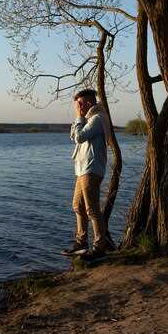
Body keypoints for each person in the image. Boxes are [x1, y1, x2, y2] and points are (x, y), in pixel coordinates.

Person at [61, 88, 111, 257]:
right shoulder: (89, 119)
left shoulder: (97, 118)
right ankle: (81, 243)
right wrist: (79, 118)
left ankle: (99, 247)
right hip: (82, 170)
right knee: (78, 206)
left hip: (91, 169)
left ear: (88, 103)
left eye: (80, 104)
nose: (78, 107)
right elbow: (73, 136)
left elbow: (79, 137)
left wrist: (79, 117)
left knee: (92, 209)